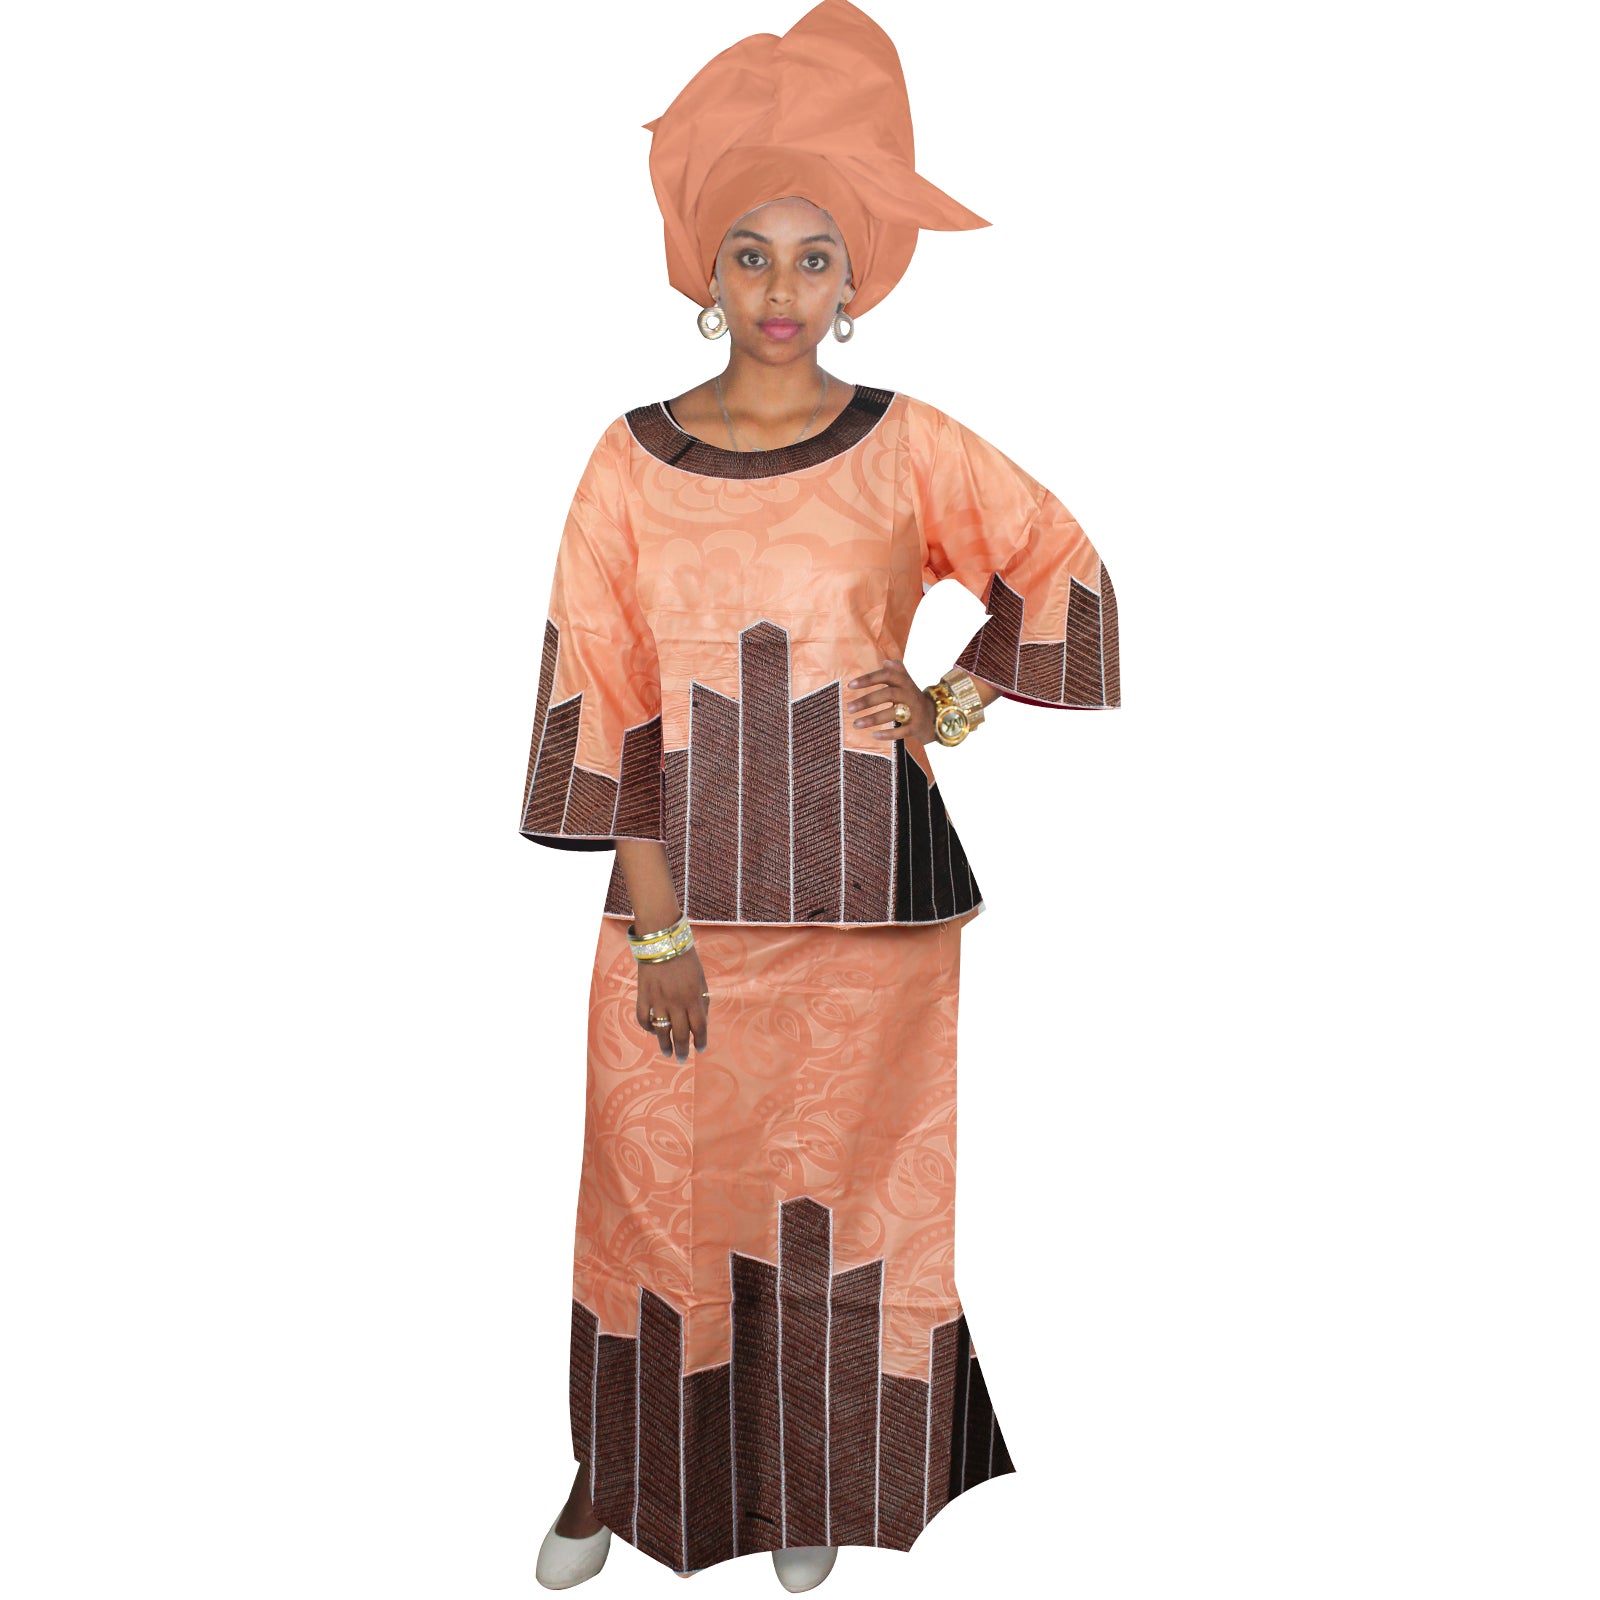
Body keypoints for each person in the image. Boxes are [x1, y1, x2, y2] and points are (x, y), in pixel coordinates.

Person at [523, 2, 1120, 1590]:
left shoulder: (910, 448)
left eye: (811, 259)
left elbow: (1061, 568)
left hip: (875, 912)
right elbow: (606, 698)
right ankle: (618, 1477)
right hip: (685, 915)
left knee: (840, 1207)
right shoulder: (624, 464)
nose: (780, 289)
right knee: (655, 1196)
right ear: (704, 273)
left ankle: (811, 1482)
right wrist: (659, 934)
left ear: (854, 281)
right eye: (750, 254)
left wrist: (949, 701)